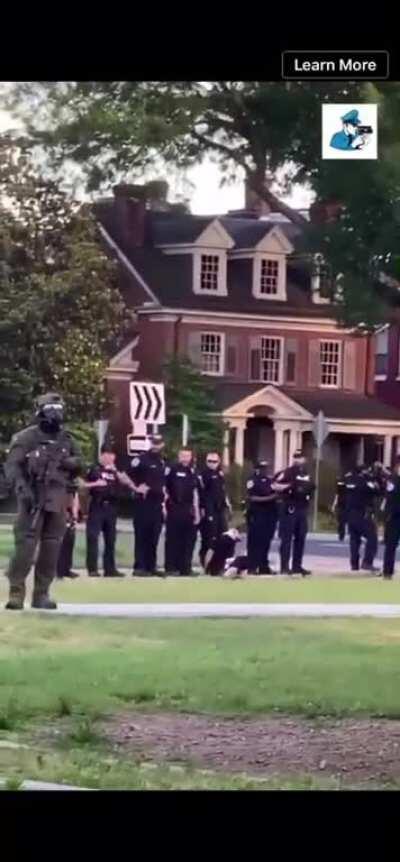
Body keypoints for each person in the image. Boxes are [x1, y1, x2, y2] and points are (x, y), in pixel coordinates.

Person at [4, 392, 82, 610]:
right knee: (25, 548)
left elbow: (81, 464)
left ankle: (42, 594)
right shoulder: (26, 438)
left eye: (59, 409)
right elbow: (12, 466)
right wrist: (21, 487)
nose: (56, 414)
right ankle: (17, 593)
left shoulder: (67, 439)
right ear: (41, 411)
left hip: (57, 499)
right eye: (52, 409)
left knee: (51, 548)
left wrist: (69, 463)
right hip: (32, 498)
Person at [126, 434, 168, 577]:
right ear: (150, 443)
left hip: (157, 504)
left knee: (154, 536)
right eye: (153, 443)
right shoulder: (140, 460)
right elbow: (125, 475)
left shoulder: (163, 461)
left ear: (162, 444)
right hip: (143, 503)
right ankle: (139, 567)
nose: (156, 446)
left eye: (158, 443)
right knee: (142, 535)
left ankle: (151, 566)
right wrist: (135, 488)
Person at [83, 444, 125, 578]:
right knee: (93, 537)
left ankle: (110, 569)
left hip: (111, 508)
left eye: (112, 456)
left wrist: (116, 471)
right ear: (102, 455)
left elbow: (125, 483)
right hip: (97, 506)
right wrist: (95, 484)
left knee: (111, 539)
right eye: (107, 455)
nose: (110, 458)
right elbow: (81, 484)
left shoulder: (114, 472)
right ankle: (92, 568)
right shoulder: (93, 469)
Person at [275, 451, 315, 576]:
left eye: (301, 457)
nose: (298, 460)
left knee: (300, 539)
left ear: (305, 459)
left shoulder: (307, 473)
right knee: (286, 539)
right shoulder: (287, 472)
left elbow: (312, 487)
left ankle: (297, 566)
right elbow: (276, 485)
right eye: (296, 457)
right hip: (289, 508)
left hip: (302, 509)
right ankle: (284, 567)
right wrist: (290, 486)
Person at [165, 448, 200, 576]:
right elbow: (165, 488)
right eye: (183, 455)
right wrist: (164, 506)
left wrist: (196, 512)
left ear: (191, 457)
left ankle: (185, 568)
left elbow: (195, 492)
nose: (185, 458)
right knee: (173, 539)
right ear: (179, 456)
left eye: (188, 456)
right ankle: (171, 568)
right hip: (174, 508)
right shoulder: (171, 469)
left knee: (188, 540)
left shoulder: (192, 471)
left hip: (188, 509)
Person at [246, 460, 285, 574]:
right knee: (254, 542)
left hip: (270, 515)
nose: (264, 470)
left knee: (266, 542)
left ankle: (264, 566)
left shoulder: (270, 480)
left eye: (265, 468)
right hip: (257, 514)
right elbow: (252, 498)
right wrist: (272, 497)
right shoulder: (252, 480)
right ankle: (252, 567)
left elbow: (276, 491)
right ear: (256, 469)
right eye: (262, 468)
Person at [344, 464, 380, 573]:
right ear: (363, 472)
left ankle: (354, 564)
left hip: (349, 513)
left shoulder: (348, 480)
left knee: (354, 539)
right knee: (372, 537)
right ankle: (367, 562)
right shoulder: (365, 482)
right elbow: (376, 491)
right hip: (361, 513)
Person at [198, 452, 231, 569]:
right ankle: (205, 565)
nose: (212, 464)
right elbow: (202, 494)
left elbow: (223, 491)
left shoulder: (220, 474)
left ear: (219, 462)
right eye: (209, 461)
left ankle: (219, 565)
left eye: (214, 461)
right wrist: (203, 510)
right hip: (209, 509)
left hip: (220, 509)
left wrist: (228, 505)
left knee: (222, 537)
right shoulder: (203, 475)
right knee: (208, 538)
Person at [56, 484, 80, 579]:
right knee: (59, 544)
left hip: (69, 515)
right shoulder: (61, 484)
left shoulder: (72, 486)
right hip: (60, 513)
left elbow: (75, 497)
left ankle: (66, 569)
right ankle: (58, 571)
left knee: (69, 542)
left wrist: (74, 516)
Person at [381, 458, 400, 579]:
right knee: (391, 545)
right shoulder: (393, 480)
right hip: (394, 516)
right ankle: (387, 572)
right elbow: (389, 499)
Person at [331, 474, 347, 542]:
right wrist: (334, 505)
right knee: (341, 521)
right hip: (341, 505)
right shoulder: (340, 487)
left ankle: (342, 534)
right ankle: (341, 534)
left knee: (342, 521)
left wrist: (334, 505)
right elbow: (337, 495)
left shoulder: (345, 486)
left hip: (345, 505)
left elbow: (337, 495)